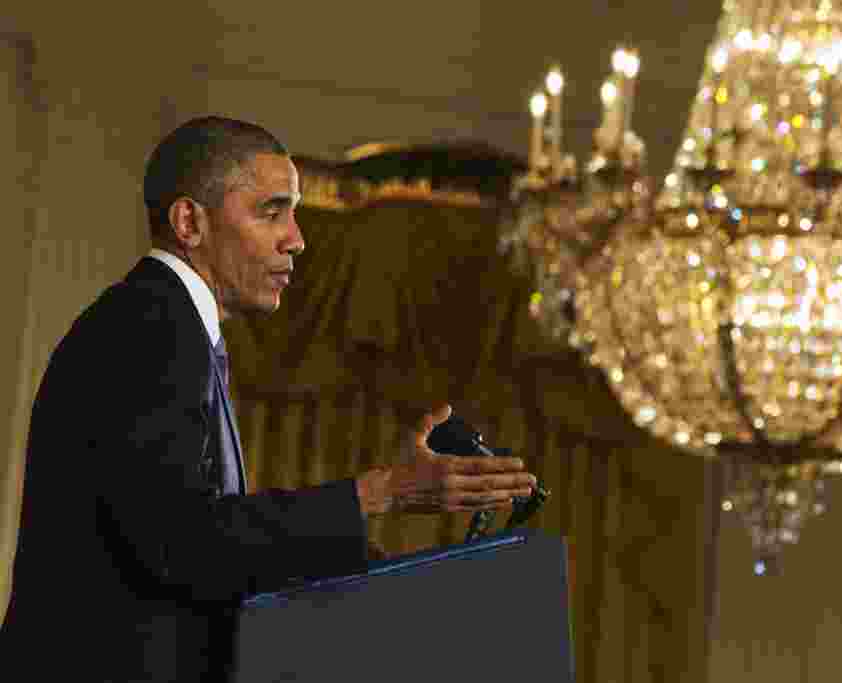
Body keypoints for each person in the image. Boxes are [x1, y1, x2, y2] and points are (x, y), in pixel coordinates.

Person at [0, 116, 536, 682]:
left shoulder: (172, 327)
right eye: (271, 211)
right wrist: (379, 492)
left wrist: (383, 571)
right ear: (190, 222)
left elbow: (195, 544)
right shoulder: (149, 326)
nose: (298, 239)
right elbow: (181, 544)